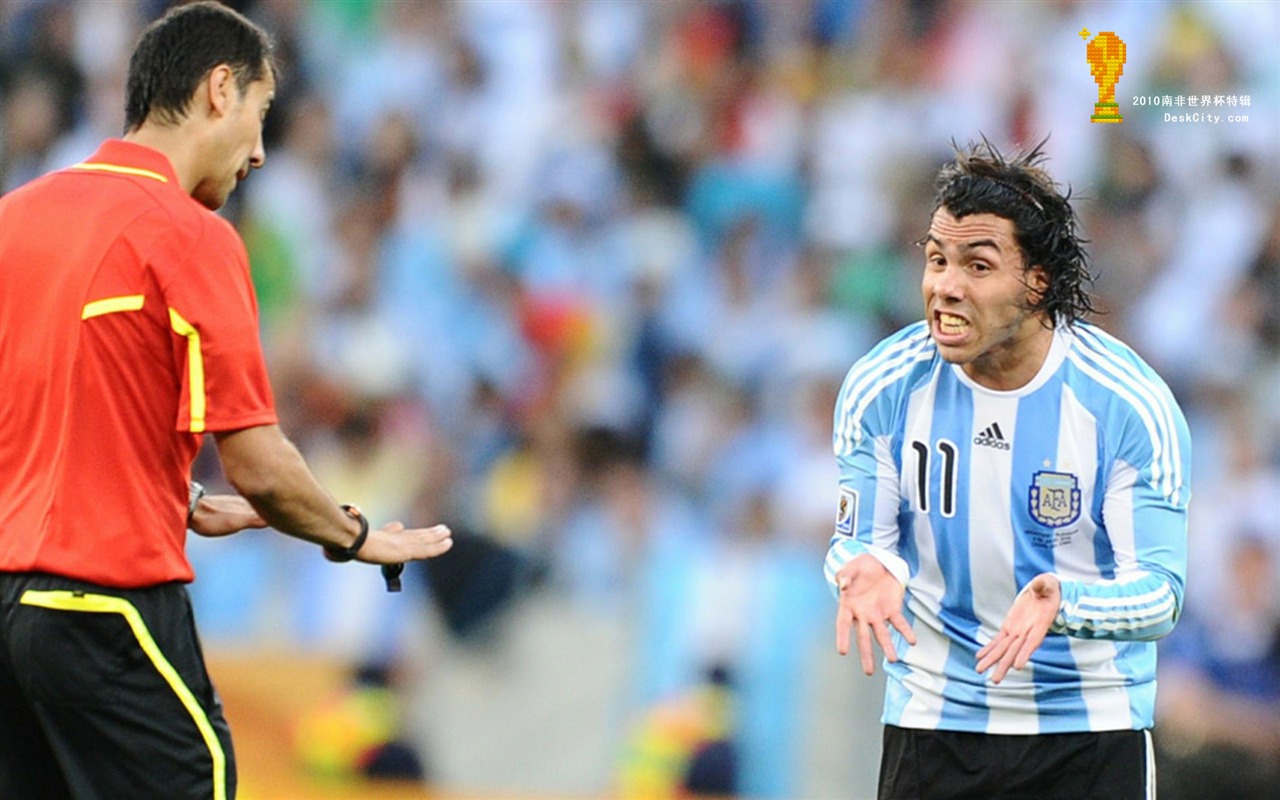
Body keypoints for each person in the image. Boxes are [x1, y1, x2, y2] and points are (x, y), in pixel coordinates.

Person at [0, 4, 452, 799]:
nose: (262, 151)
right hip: (104, 605)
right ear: (219, 90)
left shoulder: (14, 219)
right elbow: (262, 466)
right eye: (261, 112)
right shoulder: (192, 234)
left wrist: (170, 494)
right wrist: (357, 537)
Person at [825, 139, 1190, 800]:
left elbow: (1161, 592)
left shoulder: (1126, 405)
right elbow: (855, 549)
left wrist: (1067, 603)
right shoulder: (881, 386)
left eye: (977, 264)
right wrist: (856, 567)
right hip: (931, 722)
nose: (946, 286)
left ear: (1036, 281)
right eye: (936, 260)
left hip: (1088, 732)